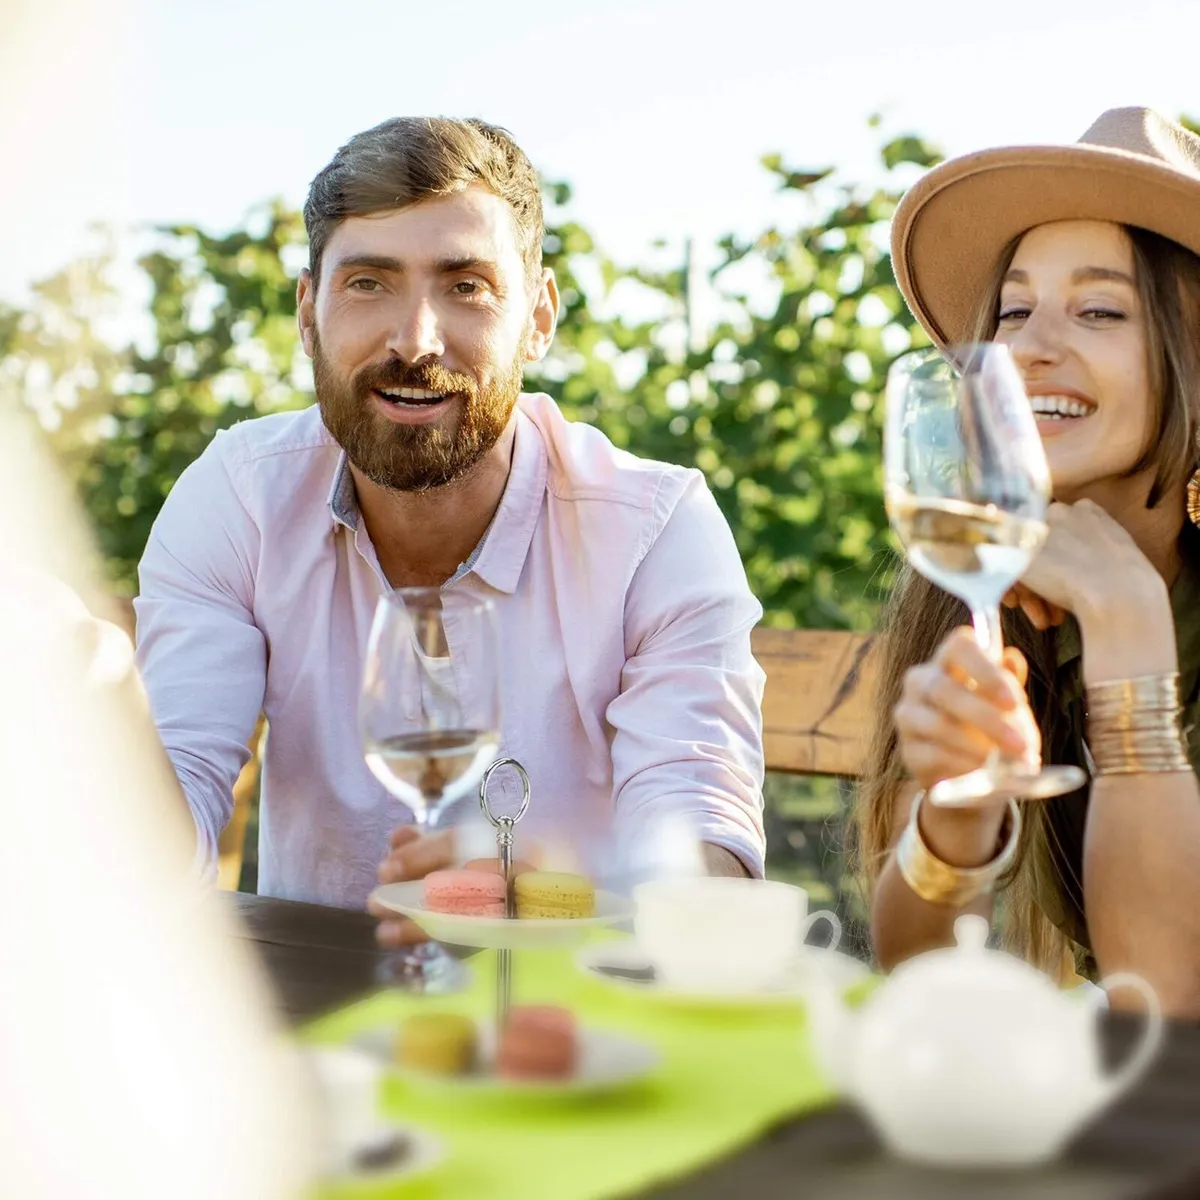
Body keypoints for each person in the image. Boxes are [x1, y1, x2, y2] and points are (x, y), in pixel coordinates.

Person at [135, 117, 766, 943]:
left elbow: (704, 849)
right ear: (307, 312)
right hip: (322, 1023)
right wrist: (102, 715)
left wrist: (572, 899)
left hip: (577, 1018)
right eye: (368, 282)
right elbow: (153, 841)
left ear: (538, 318)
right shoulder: (240, 498)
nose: (415, 340)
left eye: (466, 285)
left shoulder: (654, 531)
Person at [854, 107, 1200, 1016]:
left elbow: (1161, 1008)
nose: (1032, 348)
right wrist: (955, 822)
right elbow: (917, 972)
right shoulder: (995, 589)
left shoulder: (1118, 602)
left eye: (1098, 309)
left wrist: (1127, 618)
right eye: (1014, 310)